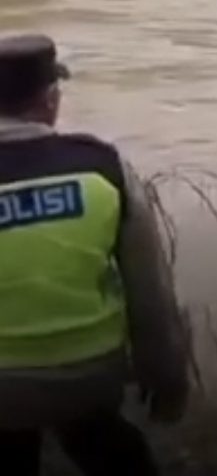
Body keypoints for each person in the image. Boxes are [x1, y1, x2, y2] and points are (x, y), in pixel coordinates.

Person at [0, 34, 190, 475]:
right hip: (92, 377)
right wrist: (167, 381)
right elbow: (152, 297)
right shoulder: (102, 166)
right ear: (51, 99)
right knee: (103, 439)